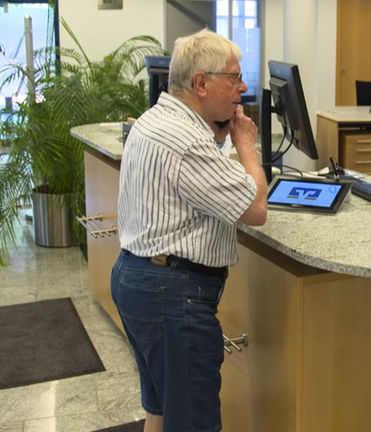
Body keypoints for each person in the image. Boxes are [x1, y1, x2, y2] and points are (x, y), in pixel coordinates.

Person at [110, 29, 267, 432]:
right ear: (201, 83)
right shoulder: (187, 142)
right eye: (233, 77)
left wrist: (220, 136)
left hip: (138, 279)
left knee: (161, 412)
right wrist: (245, 144)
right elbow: (255, 209)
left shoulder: (155, 120)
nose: (243, 87)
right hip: (173, 293)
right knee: (193, 423)